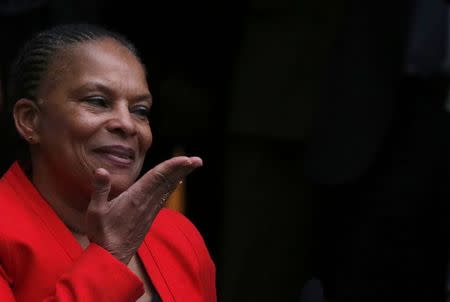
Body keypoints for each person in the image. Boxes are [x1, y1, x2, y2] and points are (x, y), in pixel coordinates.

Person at [0, 23, 216, 301]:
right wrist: (111, 257)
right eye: (98, 101)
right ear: (30, 120)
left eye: (140, 110)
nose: (127, 124)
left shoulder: (177, 234)